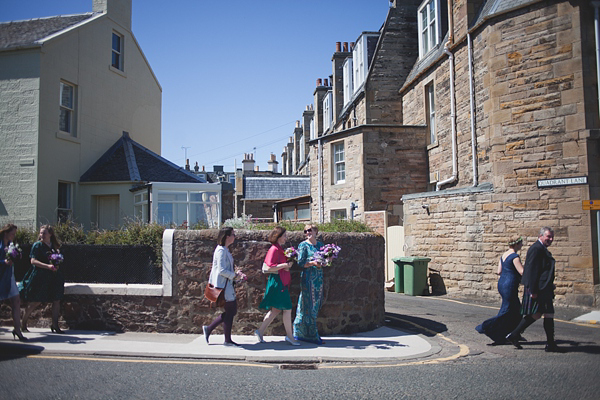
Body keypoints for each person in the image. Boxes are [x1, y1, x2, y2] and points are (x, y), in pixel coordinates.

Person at [506, 227, 561, 352]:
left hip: (544, 288)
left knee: (538, 314)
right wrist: (533, 291)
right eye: (548, 237)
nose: (551, 239)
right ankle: (550, 344)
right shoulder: (536, 249)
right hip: (538, 289)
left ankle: (514, 335)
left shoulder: (541, 248)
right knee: (545, 314)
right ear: (541, 236)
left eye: (552, 237)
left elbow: (543, 271)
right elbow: (531, 271)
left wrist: (550, 284)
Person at [255, 226, 300, 346]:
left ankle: (260, 331)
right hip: (278, 282)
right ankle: (290, 337)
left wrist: (287, 264)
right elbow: (269, 267)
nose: (286, 238)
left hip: (281, 281)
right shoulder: (274, 249)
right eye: (284, 235)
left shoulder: (279, 248)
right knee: (287, 309)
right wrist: (284, 265)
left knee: (275, 310)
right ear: (278, 237)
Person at [476, 236, 524, 345]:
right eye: (521, 243)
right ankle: (487, 327)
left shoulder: (503, 256)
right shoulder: (515, 256)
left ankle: (513, 333)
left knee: (517, 310)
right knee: (508, 310)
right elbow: (521, 271)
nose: (522, 245)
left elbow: (499, 271)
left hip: (502, 283)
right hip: (510, 285)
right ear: (516, 244)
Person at [202, 227, 245, 346]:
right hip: (224, 285)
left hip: (227, 284)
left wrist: (237, 272)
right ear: (227, 236)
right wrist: (234, 276)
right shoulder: (221, 250)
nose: (234, 236)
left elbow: (227, 267)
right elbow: (221, 270)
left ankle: (210, 329)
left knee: (231, 311)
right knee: (231, 311)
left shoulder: (225, 250)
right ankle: (226, 339)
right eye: (233, 234)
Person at [20, 225, 66, 333]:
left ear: (50, 234)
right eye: (41, 233)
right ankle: (23, 322)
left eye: (44, 233)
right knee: (36, 301)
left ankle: (55, 325)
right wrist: (48, 266)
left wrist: (56, 265)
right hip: (40, 276)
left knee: (56, 300)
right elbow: (33, 261)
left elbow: (56, 260)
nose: (42, 235)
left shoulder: (53, 247)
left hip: (53, 277)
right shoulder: (37, 246)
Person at [292, 223, 325, 344]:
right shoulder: (303, 245)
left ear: (316, 231)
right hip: (308, 278)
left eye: (310, 230)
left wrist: (325, 262)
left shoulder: (320, 245)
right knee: (308, 304)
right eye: (305, 231)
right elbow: (300, 263)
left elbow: (324, 259)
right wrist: (312, 263)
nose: (307, 233)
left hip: (318, 277)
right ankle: (309, 333)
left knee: (316, 304)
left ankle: (308, 333)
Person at [0, 224, 27, 341]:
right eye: (12, 233)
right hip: (1, 277)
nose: (14, 236)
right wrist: (3, 261)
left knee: (16, 301)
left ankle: (17, 330)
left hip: (9, 276)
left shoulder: (11, 245)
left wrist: (17, 255)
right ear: (6, 233)